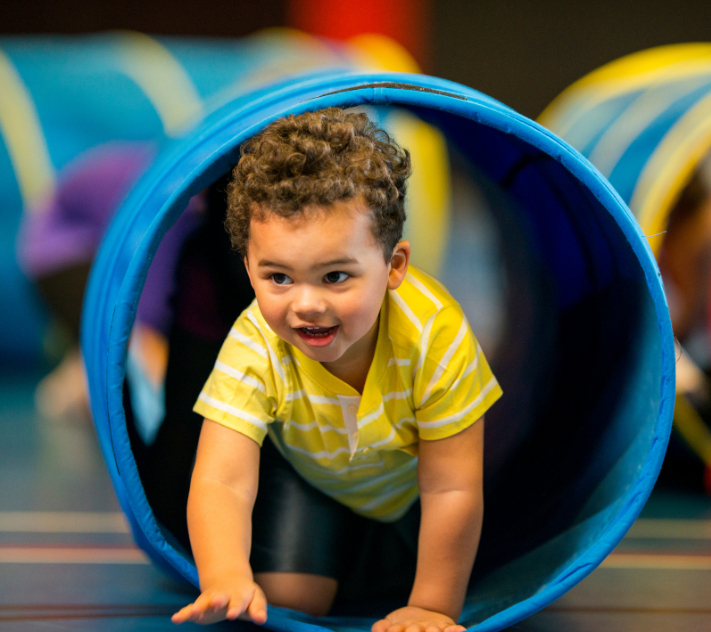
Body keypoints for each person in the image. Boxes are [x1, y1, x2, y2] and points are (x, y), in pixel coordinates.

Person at [171, 108, 502, 631]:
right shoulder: (255, 342)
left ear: (394, 267)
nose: (306, 304)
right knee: (289, 602)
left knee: (462, 565)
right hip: (313, 478)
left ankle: (375, 559)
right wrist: (226, 573)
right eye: (278, 277)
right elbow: (222, 478)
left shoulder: (434, 336)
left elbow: (452, 488)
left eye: (335, 277)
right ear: (249, 269)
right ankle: (346, 557)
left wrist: (432, 606)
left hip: (411, 487)